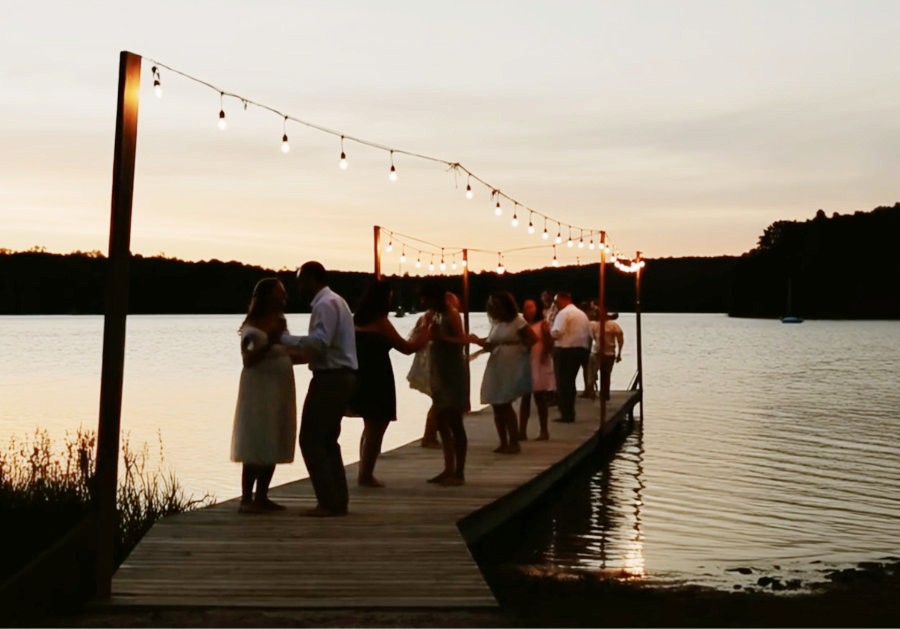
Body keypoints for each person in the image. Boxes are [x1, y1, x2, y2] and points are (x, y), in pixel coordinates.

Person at [282, 262, 357, 517]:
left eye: (301, 281)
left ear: (312, 279)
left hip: (331, 378)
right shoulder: (338, 301)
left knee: (311, 439)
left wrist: (283, 339)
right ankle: (338, 500)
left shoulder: (325, 305)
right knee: (327, 440)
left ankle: (328, 502)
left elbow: (320, 343)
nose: (299, 287)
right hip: (342, 376)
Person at [348, 280, 431, 487]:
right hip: (377, 376)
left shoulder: (355, 320)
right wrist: (425, 334)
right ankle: (366, 474)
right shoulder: (380, 321)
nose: (391, 299)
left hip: (360, 374)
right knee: (377, 426)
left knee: (370, 426)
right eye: (389, 296)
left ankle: (364, 471)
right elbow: (406, 347)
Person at [230, 278, 302, 514]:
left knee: (274, 434)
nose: (284, 297)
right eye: (280, 292)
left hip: (279, 388)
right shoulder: (252, 326)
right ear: (267, 296)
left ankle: (262, 495)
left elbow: (287, 353)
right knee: (257, 436)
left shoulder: (280, 321)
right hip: (259, 390)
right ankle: (246, 499)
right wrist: (272, 337)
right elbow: (249, 359)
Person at [471, 292, 537, 454]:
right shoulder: (496, 323)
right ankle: (503, 442)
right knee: (496, 402)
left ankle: (514, 442)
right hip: (496, 363)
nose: (493, 308)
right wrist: (475, 340)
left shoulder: (518, 321)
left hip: (511, 364)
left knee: (505, 402)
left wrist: (519, 350)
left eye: (496, 305)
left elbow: (532, 339)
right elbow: (490, 344)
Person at [421, 282, 469, 486]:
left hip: (453, 372)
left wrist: (441, 337)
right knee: (441, 422)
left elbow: (461, 340)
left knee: (455, 422)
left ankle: (459, 472)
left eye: (426, 298)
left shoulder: (452, 314)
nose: (424, 302)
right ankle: (447, 468)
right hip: (438, 371)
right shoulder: (433, 314)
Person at [549, 292, 591, 423]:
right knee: (570, 382)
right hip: (581, 350)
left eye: (556, 301)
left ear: (562, 300)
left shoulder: (563, 313)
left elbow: (557, 332)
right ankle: (569, 412)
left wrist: (547, 332)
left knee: (563, 383)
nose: (555, 305)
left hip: (565, 350)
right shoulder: (581, 314)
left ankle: (566, 413)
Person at [518, 298, 555, 441]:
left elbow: (549, 341)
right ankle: (522, 431)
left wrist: (545, 355)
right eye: (526, 307)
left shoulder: (542, 324)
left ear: (537, 308)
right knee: (525, 398)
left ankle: (544, 431)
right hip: (525, 361)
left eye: (532, 307)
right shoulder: (521, 325)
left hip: (539, 361)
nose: (529, 310)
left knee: (540, 398)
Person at [595, 311, 625, 401]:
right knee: (601, 373)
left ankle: (605, 393)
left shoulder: (612, 325)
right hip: (598, 353)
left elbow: (620, 337)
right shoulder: (596, 325)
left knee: (606, 373)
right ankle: (601, 392)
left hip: (609, 353)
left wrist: (619, 353)